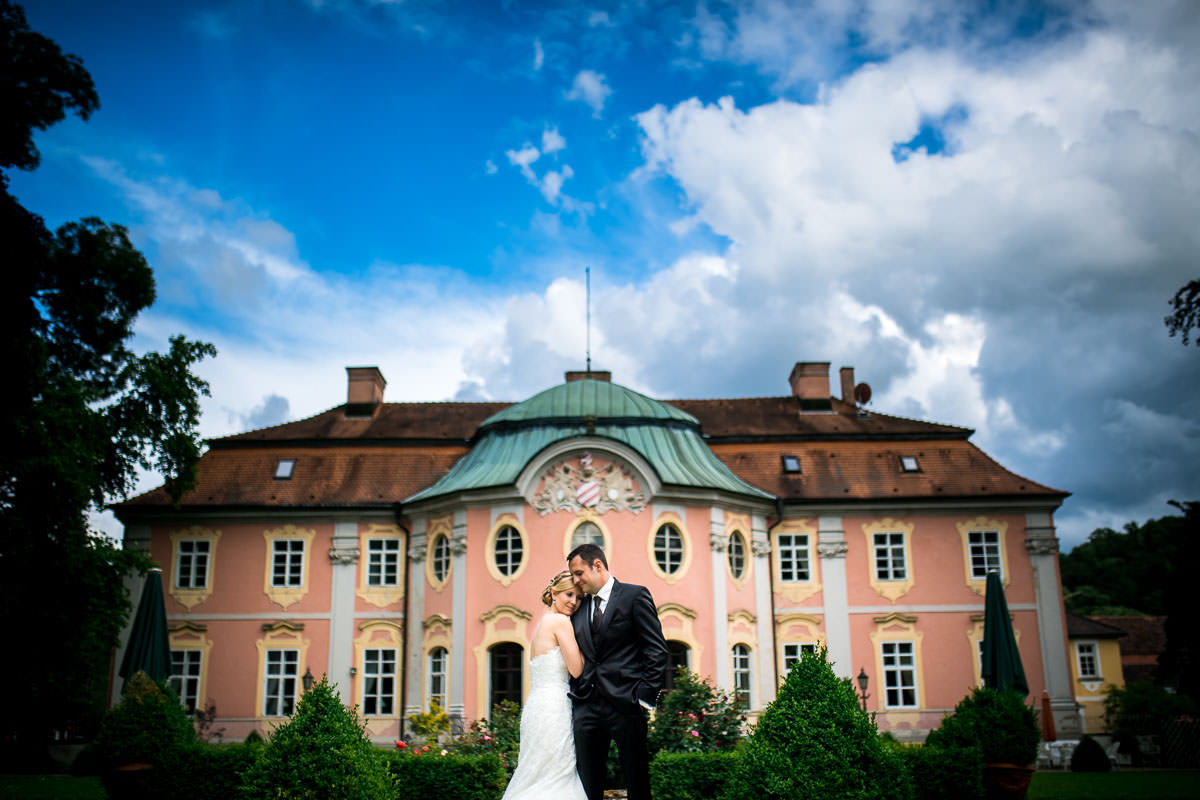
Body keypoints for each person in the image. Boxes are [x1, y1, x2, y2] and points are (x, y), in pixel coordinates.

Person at [567, 543, 669, 800]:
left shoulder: (634, 596)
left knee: (636, 779)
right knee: (587, 782)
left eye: (579, 573)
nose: (576, 581)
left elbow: (656, 649)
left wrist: (644, 697)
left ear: (598, 565)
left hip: (627, 703)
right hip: (587, 706)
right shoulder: (579, 609)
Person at [500, 571, 588, 800]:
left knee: (535, 774)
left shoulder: (540, 625)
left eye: (578, 598)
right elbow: (577, 669)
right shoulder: (560, 622)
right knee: (557, 775)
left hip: (536, 707)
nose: (574, 602)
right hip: (554, 709)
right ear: (554, 593)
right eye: (569, 594)